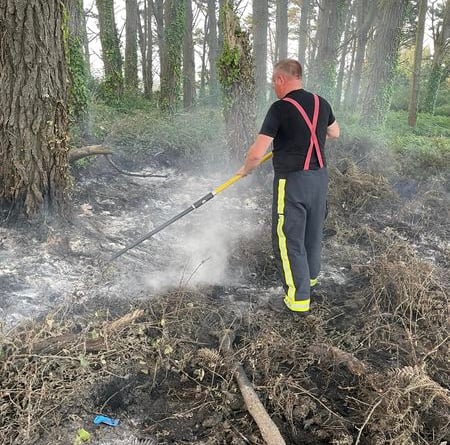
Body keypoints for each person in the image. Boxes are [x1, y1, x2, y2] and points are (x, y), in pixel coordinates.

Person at [237, 59, 340, 314]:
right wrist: (308, 136)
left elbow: (256, 153)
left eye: (274, 81)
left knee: (288, 238)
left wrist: (246, 169)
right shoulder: (321, 103)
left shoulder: (280, 108)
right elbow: (335, 132)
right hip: (319, 180)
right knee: (312, 233)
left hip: (292, 182)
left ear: (281, 79)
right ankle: (310, 280)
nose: (274, 87)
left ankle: (298, 299)